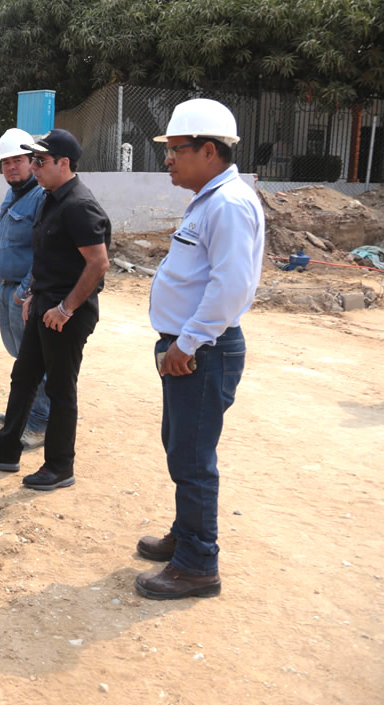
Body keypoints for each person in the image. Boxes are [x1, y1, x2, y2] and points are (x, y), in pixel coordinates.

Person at [135, 99, 265, 600]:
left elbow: (231, 287)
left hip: (202, 350)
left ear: (208, 151)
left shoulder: (229, 204)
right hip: (190, 348)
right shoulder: (211, 199)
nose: (167, 160)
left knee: (193, 458)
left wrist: (185, 343)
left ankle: (197, 564)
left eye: (175, 150)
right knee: (181, 448)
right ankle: (184, 535)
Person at [0, 129, 110, 491]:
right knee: (24, 377)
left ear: (64, 163)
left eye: (40, 161)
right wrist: (35, 295)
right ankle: (6, 449)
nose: (34, 167)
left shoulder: (80, 205)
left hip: (67, 313)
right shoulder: (49, 198)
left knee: (60, 389)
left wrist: (65, 307)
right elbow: (45, 256)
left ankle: (59, 466)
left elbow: (98, 264)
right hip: (44, 303)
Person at [0, 128, 50, 450]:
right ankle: (24, 412)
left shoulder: (41, 196)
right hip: (6, 290)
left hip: (22, 295)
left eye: (18, 161)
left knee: (35, 361)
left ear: (32, 161)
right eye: (6, 162)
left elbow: (44, 250)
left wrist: (24, 290)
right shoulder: (13, 194)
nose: (11, 167)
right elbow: (5, 239)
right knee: (19, 357)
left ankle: (40, 423)